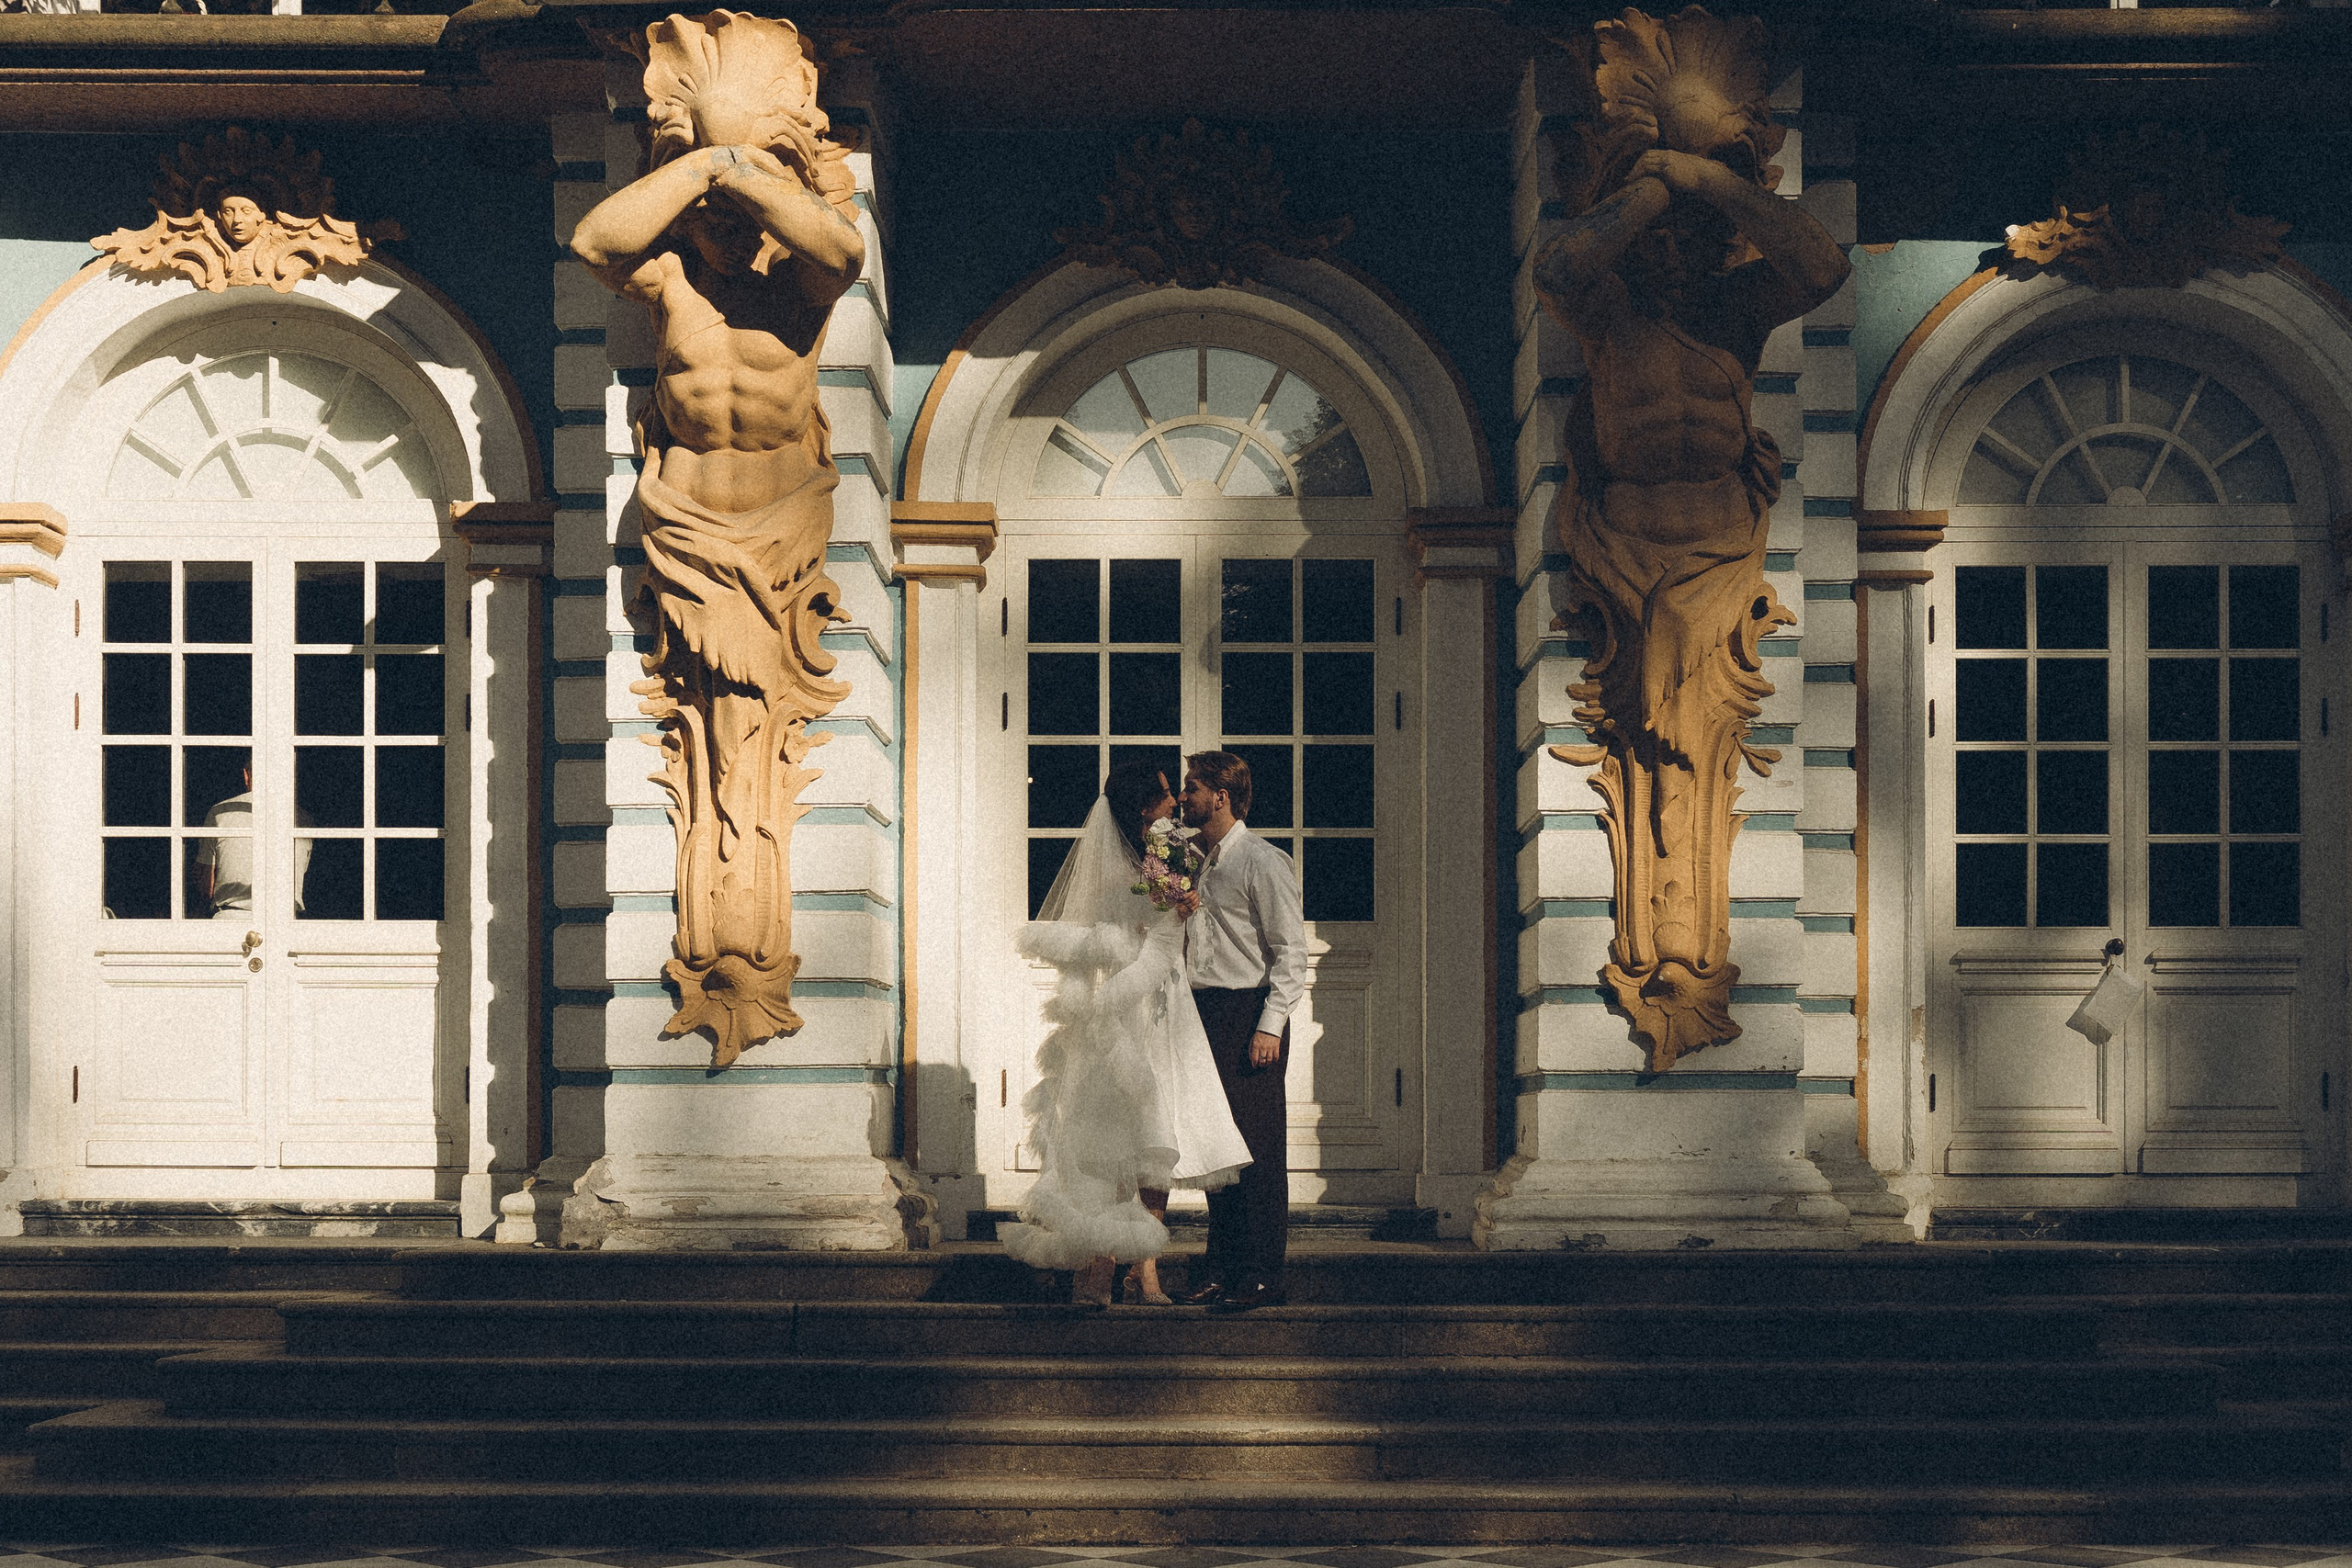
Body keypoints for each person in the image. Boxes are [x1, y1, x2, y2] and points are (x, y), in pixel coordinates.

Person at [1001, 762, 1250, 1307]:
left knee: (1155, 1140)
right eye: (1167, 796)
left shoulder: (1165, 857)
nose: (1177, 802)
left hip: (1165, 1010)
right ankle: (1100, 1262)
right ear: (1144, 808)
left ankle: (1146, 1267)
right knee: (1113, 1134)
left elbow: (1169, 939)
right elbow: (1132, 940)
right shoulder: (1125, 872)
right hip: (1127, 1009)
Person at [1173, 750, 1308, 1313]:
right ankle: (1221, 1270)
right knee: (1218, 1151)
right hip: (1202, 1013)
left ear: (1220, 796)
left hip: (1247, 1014)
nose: (1184, 797)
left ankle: (1261, 1275)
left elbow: (1291, 952)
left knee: (1257, 1150)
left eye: (1192, 787)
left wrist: (1270, 1025)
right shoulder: (1200, 863)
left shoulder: (1262, 861)